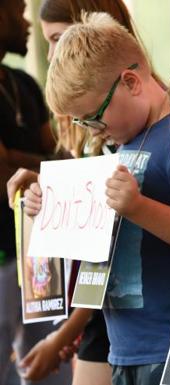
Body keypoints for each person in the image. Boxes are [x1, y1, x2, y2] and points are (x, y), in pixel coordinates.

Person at [25, 12, 170, 385]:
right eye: (84, 124)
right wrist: (51, 210)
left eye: (94, 118)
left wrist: (140, 208)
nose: (95, 131)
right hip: (124, 348)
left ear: (130, 82)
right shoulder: (123, 144)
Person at [16, 2, 163, 384]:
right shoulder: (102, 129)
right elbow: (91, 242)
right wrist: (48, 202)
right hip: (113, 324)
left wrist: (64, 334)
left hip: (145, 330)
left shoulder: (158, 131)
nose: (52, 57)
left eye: (59, 40)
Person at [0, 1, 69, 385]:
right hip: (4, 257)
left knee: (44, 367)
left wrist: (19, 159)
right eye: (18, 12)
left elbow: (60, 156)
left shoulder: (23, 83)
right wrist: (48, 164)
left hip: (38, 250)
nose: (27, 23)